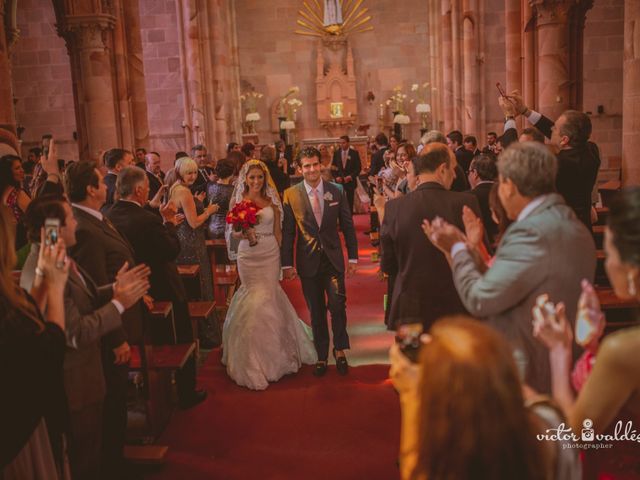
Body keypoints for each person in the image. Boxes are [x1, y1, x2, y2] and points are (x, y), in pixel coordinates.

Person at [423, 142, 596, 393]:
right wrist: (465, 248)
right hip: (560, 360)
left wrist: (457, 251)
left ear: (509, 186)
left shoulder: (531, 232)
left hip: (530, 369)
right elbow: (508, 282)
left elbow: (480, 298)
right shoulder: (572, 223)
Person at [21, 195, 150, 479]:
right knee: (83, 460)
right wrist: (119, 304)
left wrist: (114, 288)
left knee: (93, 450)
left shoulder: (56, 258)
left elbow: (84, 298)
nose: (76, 223)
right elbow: (75, 332)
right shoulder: (43, 270)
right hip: (73, 381)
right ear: (53, 228)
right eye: (70, 219)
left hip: (87, 374)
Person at [534, 186, 640, 478]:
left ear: (633, 267)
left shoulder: (625, 352)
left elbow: (574, 435)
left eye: (610, 249)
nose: (609, 261)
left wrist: (559, 350)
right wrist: (593, 345)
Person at [389, 316, 578, 480]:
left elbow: (415, 471)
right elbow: (566, 424)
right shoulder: (547, 439)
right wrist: (559, 351)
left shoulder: (452, 467)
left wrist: (410, 394)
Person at [64, 161, 145, 477]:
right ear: (90, 189)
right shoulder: (82, 228)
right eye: (101, 181)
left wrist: (125, 287)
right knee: (111, 405)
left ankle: (116, 458)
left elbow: (94, 281)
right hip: (110, 329)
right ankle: (113, 465)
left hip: (119, 314)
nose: (106, 186)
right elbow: (88, 287)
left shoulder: (96, 218)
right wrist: (117, 338)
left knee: (116, 401)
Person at [107, 167, 208, 407]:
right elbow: (171, 249)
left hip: (134, 289)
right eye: (148, 189)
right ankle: (186, 392)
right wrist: (170, 223)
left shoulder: (109, 215)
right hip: (163, 287)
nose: (149, 193)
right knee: (180, 339)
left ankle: (149, 386)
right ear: (139, 190)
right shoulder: (147, 220)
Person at [222, 160, 316, 390]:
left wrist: (285, 262)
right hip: (248, 256)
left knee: (269, 297)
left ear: (265, 179)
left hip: (269, 255)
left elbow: (279, 235)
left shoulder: (272, 201)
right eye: (252, 177)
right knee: (255, 298)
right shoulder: (239, 201)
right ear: (245, 178)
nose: (256, 181)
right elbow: (232, 233)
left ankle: (276, 355)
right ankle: (251, 359)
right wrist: (244, 234)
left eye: (260, 178)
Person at [380, 143, 482, 331]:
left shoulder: (394, 207)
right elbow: (477, 258)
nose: (455, 174)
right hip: (455, 303)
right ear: (442, 169)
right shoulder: (466, 203)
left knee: (417, 360)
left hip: (411, 306)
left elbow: (388, 264)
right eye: (453, 169)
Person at [1, 205, 70, 479]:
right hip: (15, 435)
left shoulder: (8, 292)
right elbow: (47, 351)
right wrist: (54, 287)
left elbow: (27, 318)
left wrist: (44, 276)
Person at [282, 147, 358, 377]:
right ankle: (322, 355)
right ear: (299, 168)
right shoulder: (291, 194)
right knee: (315, 311)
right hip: (308, 261)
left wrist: (353, 257)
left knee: (337, 305)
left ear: (321, 164)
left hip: (333, 259)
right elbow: (288, 233)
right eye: (307, 166)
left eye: (315, 164)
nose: (312, 169)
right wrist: (286, 264)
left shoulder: (337, 190)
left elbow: (347, 225)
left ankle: (340, 350)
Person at [169, 156, 218, 301]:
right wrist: (209, 210)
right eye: (189, 173)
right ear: (179, 173)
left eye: (195, 172)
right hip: (191, 242)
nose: (193, 176)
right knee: (200, 282)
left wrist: (197, 202)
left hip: (183, 239)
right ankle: (204, 322)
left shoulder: (175, 187)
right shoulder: (183, 191)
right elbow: (194, 223)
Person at [467, 153, 499, 245]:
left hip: (478, 247)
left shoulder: (466, 197)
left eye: (469, 172)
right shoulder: (506, 193)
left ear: (475, 173)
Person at [331, 135, 362, 213]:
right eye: (340, 143)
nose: (341, 145)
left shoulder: (354, 153)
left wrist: (351, 176)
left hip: (350, 182)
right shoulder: (336, 153)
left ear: (348, 143)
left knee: (349, 203)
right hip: (339, 182)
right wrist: (336, 177)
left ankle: (350, 221)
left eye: (343, 143)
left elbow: (358, 168)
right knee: (340, 203)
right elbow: (333, 167)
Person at [207, 158, 236, 239]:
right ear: (232, 173)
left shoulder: (209, 186)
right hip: (227, 229)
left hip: (211, 228)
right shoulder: (233, 190)